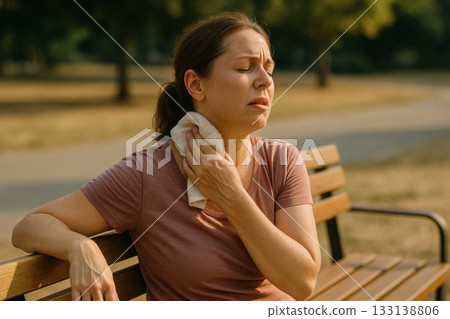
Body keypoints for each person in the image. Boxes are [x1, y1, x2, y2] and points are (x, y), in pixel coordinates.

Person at [11, 12, 320, 301]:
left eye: (269, 68)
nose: (265, 80)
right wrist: (79, 245)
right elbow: (30, 225)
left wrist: (233, 197)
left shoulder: (283, 159)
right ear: (196, 85)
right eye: (244, 68)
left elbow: (302, 284)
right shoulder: (147, 173)